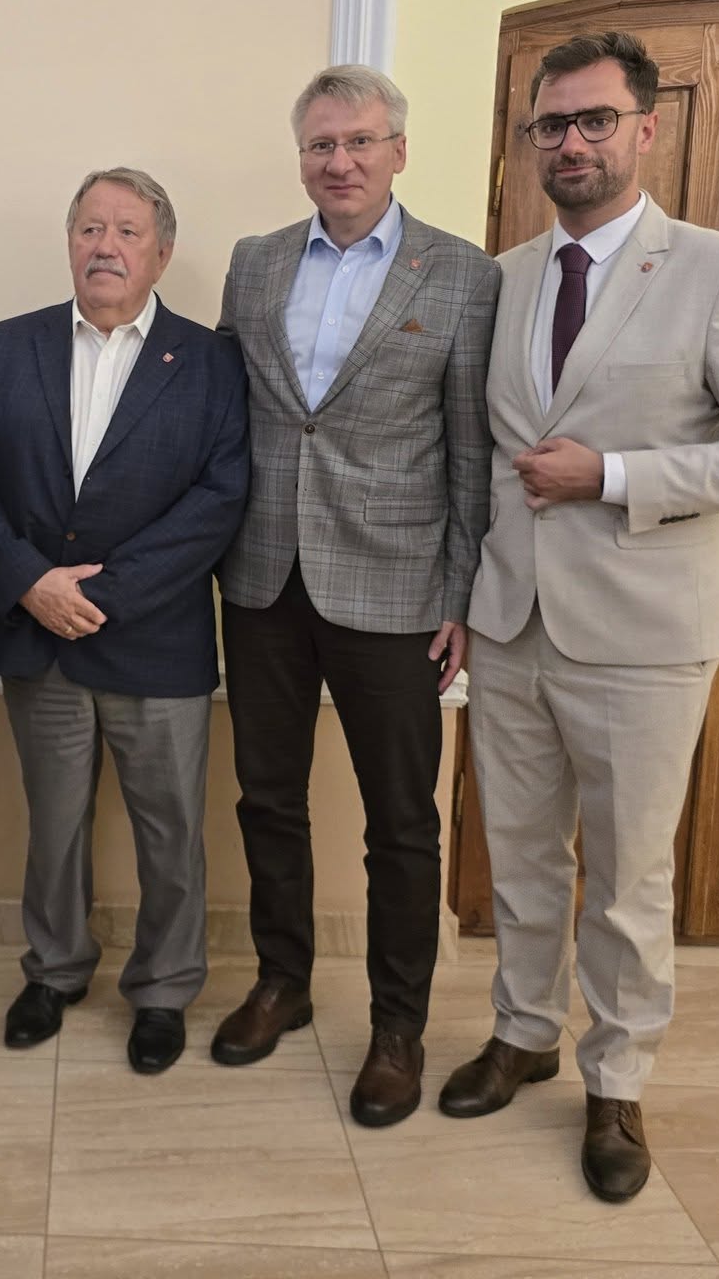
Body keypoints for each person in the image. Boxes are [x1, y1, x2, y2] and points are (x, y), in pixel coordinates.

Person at [444, 31, 719, 1201]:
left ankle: (614, 1080)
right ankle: (521, 1031)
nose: (570, 142)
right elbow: (483, 454)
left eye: (594, 119)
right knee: (517, 854)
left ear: (644, 129)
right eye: (550, 124)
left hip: (646, 632)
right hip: (510, 619)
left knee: (622, 876)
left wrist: (608, 475)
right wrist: (460, 601)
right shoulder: (501, 277)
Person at [214, 65, 498, 1127]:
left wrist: (461, 589)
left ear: (398, 152)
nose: (339, 162)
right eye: (320, 144)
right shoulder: (254, 263)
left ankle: (397, 1027)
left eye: (359, 142)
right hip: (260, 577)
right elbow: (230, 414)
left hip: (396, 585)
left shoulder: (460, 275)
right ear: (301, 157)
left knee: (401, 823)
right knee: (266, 796)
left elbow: (470, 449)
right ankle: (281, 982)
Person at [0, 167, 249, 1073]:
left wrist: (99, 595)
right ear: (69, 242)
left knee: (170, 832)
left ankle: (163, 989)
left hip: (155, 640)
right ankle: (54, 970)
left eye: (126, 231)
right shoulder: (6, 347)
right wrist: (30, 582)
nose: (104, 246)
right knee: (55, 824)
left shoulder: (212, 362)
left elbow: (220, 497)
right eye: (89, 228)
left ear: (162, 252)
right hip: (35, 635)